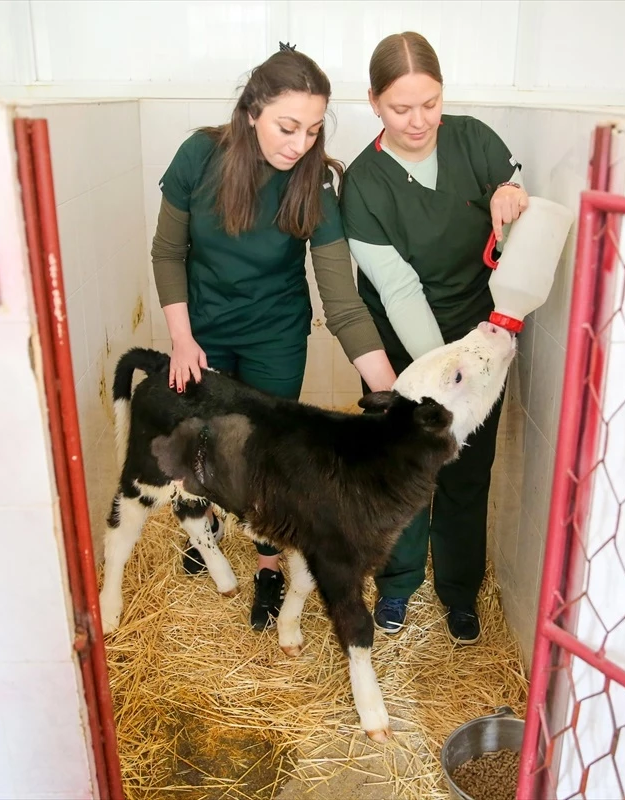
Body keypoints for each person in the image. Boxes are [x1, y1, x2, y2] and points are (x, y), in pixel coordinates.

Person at [150, 43, 397, 631]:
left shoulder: (317, 183)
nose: (301, 144)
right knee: (206, 440)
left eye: (313, 130)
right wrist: (182, 341)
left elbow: (341, 301)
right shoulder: (198, 157)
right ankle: (203, 526)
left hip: (276, 333)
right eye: (289, 127)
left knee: (265, 458)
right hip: (203, 331)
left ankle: (266, 566)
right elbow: (168, 252)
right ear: (253, 109)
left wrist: (389, 394)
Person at [339, 32, 530, 646]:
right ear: (372, 102)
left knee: (469, 470)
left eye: (431, 103)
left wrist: (513, 197)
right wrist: (438, 382)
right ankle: (396, 588)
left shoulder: (475, 140)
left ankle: (459, 591)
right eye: (401, 108)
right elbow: (397, 292)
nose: (419, 121)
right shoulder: (364, 184)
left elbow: (517, 202)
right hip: (408, 353)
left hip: (480, 340)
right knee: (402, 476)